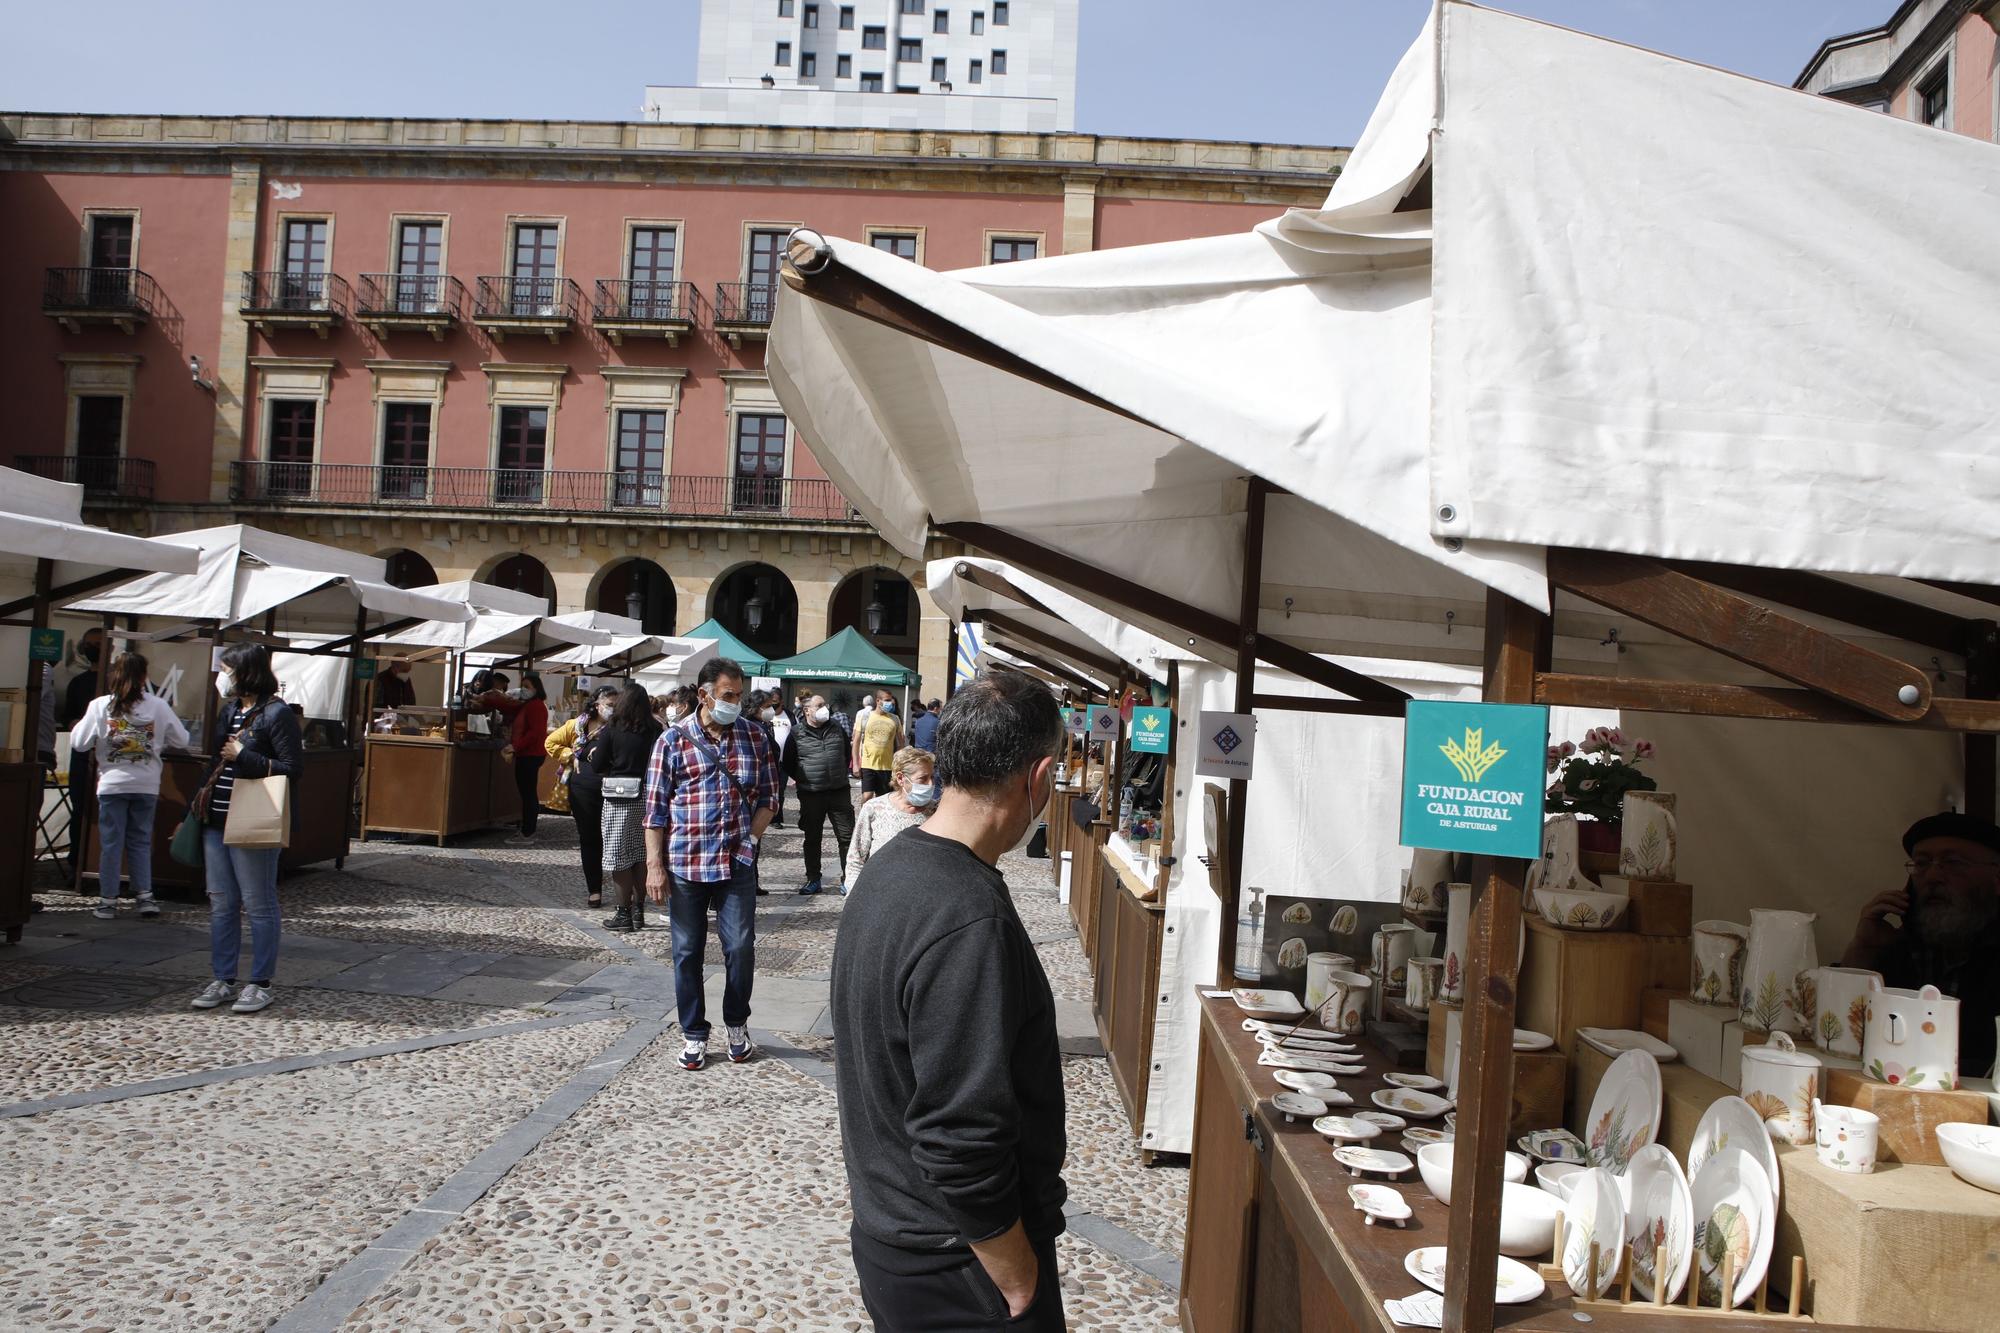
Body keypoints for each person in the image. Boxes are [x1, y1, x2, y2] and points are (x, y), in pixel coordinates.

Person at [831, 670, 1068, 1330]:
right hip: (956, 1262)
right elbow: (960, 1135)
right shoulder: (967, 916)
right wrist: (1018, 1277)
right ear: (1040, 775)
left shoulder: (892, 865)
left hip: (897, 1238)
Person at [643, 656, 779, 1070]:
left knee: (740, 947)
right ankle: (694, 1033)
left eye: (738, 695)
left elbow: (769, 798)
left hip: (735, 863)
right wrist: (654, 865)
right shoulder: (671, 741)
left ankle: (736, 1023)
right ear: (703, 694)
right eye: (727, 695)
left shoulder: (755, 737)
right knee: (687, 952)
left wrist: (750, 840)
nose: (735, 702)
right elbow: (655, 810)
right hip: (686, 864)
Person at [1841, 811, 2000, 1077]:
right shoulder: (1899, 946)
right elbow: (1840, 1037)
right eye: (1922, 863)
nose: (1933, 876)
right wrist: (1864, 949)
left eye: (1954, 863)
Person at [190, 643, 301, 1016]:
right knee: (221, 901)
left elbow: (292, 768)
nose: (222, 677)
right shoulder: (231, 711)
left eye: (226, 669)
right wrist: (195, 809)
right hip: (216, 819)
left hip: (253, 817)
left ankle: (260, 982)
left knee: (258, 902)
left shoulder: (276, 714)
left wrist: (245, 757)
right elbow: (214, 761)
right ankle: (223, 977)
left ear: (246, 672)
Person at [69, 651, 190, 919]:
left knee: (111, 843)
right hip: (146, 784)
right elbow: (182, 739)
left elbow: (78, 743)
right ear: (145, 677)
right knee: (140, 840)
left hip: (112, 785)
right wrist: (158, 741)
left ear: (115, 675)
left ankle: (108, 901)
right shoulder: (158, 705)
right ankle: (145, 897)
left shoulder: (101, 706)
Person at [581, 682, 661, 933]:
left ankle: (623, 913)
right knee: (641, 854)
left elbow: (597, 764)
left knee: (618, 856)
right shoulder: (655, 729)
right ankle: (639, 909)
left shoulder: (612, 729)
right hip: (649, 795)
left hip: (619, 798)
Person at [547, 685, 619, 908]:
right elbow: (551, 743)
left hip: (611, 788)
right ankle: (594, 889)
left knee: (614, 840)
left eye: (616, 705)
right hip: (582, 788)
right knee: (589, 838)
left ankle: (623, 893)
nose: (613, 710)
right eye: (609, 705)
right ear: (597, 704)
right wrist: (571, 755)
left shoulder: (618, 727)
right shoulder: (577, 725)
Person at [789, 692, 854, 896]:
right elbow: (789, 763)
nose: (824, 708)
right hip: (812, 794)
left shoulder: (837, 728)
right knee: (812, 837)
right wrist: (806, 778)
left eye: (824, 704)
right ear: (807, 710)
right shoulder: (796, 733)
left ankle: (849, 879)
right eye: (819, 705)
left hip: (839, 792)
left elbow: (845, 755)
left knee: (847, 837)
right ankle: (813, 879)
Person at [843, 746, 935, 890]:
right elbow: (856, 859)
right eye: (923, 779)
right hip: (878, 896)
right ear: (900, 778)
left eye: (932, 777)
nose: (930, 784)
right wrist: (854, 897)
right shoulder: (874, 809)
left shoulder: (937, 812)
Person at [480, 670, 549, 841]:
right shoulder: (527, 704)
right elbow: (508, 707)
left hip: (530, 754)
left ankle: (528, 832)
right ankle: (527, 830)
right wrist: (488, 699)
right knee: (526, 792)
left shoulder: (536, 705)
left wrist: (514, 747)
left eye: (527, 686)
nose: (523, 689)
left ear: (536, 689)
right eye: (522, 686)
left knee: (528, 793)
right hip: (527, 753)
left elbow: (535, 733)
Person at [856, 694, 902, 799]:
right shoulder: (865, 716)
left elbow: (900, 742)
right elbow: (856, 739)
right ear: (878, 701)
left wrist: (898, 762)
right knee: (867, 795)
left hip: (887, 764)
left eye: (892, 703)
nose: (890, 704)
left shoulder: (895, 719)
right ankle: (865, 814)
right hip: (868, 763)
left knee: (883, 797)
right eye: (887, 701)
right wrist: (856, 762)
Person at [765, 690, 792, 829]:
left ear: (781, 701)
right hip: (766, 761)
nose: (773, 704)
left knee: (780, 791)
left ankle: (776, 818)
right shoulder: (766, 714)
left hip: (783, 762)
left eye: (775, 701)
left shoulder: (789, 716)